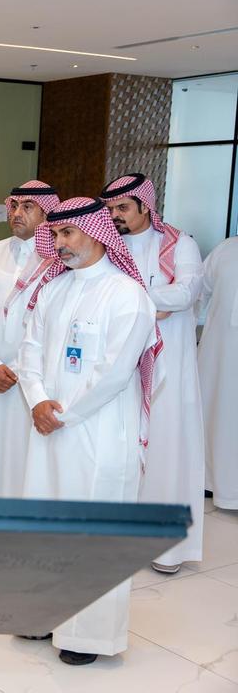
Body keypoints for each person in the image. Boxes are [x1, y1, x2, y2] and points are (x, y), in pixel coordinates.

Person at [17, 197, 159, 665]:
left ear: (96, 232)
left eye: (67, 234)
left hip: (98, 430)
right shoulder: (53, 290)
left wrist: (64, 414)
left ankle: (87, 635)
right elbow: (29, 349)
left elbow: (115, 372)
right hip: (48, 427)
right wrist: (37, 399)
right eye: (55, 235)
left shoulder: (127, 295)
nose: (58, 243)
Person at [101, 173, 205, 574]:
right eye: (110, 209)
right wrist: (153, 301)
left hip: (169, 364)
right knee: (121, 445)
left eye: (123, 207)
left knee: (166, 446)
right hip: (123, 361)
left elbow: (186, 293)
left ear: (146, 206)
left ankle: (165, 548)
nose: (115, 215)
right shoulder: (107, 244)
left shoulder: (180, 244)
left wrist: (138, 297)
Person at [0, 181, 59, 498]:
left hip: (35, 379)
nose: (17, 213)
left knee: (28, 452)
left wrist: (20, 368)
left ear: (46, 213)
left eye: (28, 207)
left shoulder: (58, 261)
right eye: (14, 206)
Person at [200, 235, 238, 510]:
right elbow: (199, 292)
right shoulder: (227, 249)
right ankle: (209, 481)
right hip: (219, 355)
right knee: (215, 414)